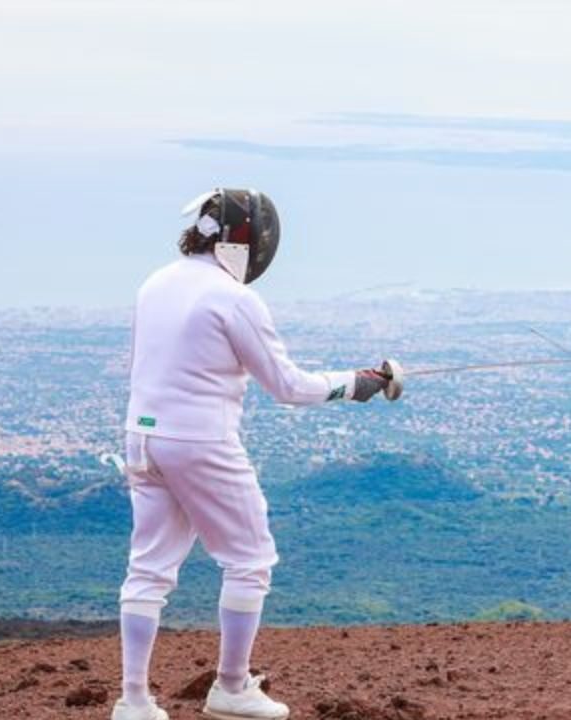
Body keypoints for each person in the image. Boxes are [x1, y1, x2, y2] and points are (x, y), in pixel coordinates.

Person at [114, 189, 400, 720]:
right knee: (250, 559)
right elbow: (287, 386)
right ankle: (230, 688)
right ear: (246, 239)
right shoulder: (232, 298)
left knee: (148, 569)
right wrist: (356, 384)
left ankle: (133, 701)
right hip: (200, 441)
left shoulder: (156, 282)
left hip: (141, 435)